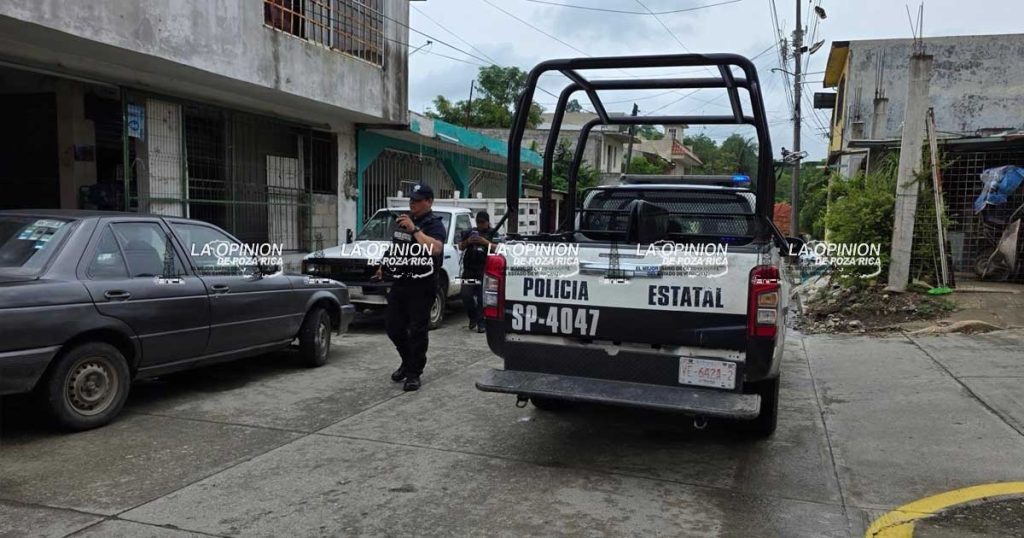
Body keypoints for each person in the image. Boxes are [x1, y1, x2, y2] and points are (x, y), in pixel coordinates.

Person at [375, 183, 447, 391]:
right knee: (393, 327)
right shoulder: (405, 222)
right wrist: (383, 266)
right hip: (401, 282)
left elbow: (435, 248)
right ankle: (408, 362)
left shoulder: (434, 224)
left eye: (417, 200)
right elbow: (395, 247)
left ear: (429, 202)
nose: (412, 204)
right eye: (411, 200)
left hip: (422, 285)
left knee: (417, 330)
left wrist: (415, 230)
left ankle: (414, 373)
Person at [458, 211, 500, 333]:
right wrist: (468, 242)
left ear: (488, 222)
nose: (480, 225)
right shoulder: (470, 232)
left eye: (483, 222)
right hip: (469, 271)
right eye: (478, 222)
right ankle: (473, 318)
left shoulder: (493, 233)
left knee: (483, 299)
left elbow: (499, 248)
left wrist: (484, 242)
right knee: (466, 295)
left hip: (485, 271)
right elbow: (460, 246)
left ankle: (482, 324)